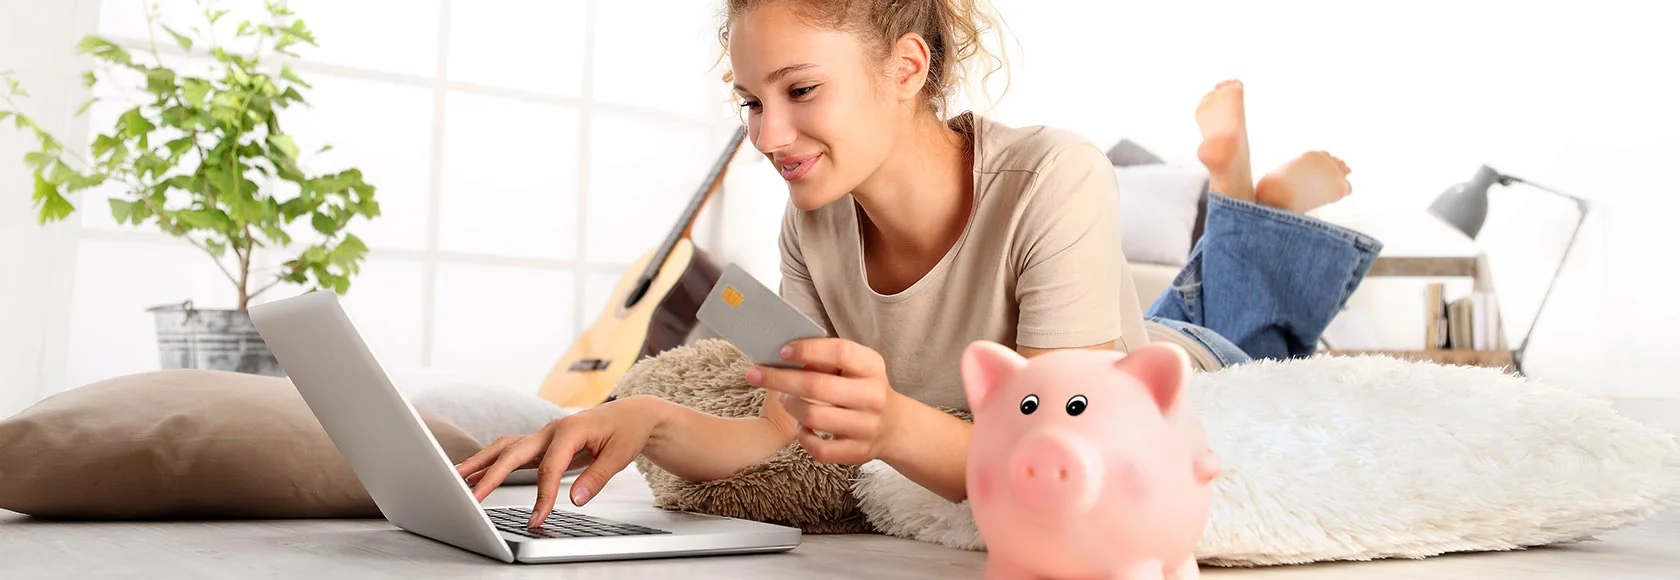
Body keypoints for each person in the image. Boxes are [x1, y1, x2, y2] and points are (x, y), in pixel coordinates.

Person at [455, 0, 1384, 529]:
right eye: (750, 99)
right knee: (1205, 285)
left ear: (907, 67)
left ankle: (1251, 201)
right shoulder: (810, 225)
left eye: (801, 91)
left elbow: (1081, 454)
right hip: (1104, 336)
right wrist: (643, 417)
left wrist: (892, 422)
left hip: (1169, 367)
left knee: (1247, 322)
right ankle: (1242, 200)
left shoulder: (1052, 174)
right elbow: (771, 434)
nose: (766, 135)